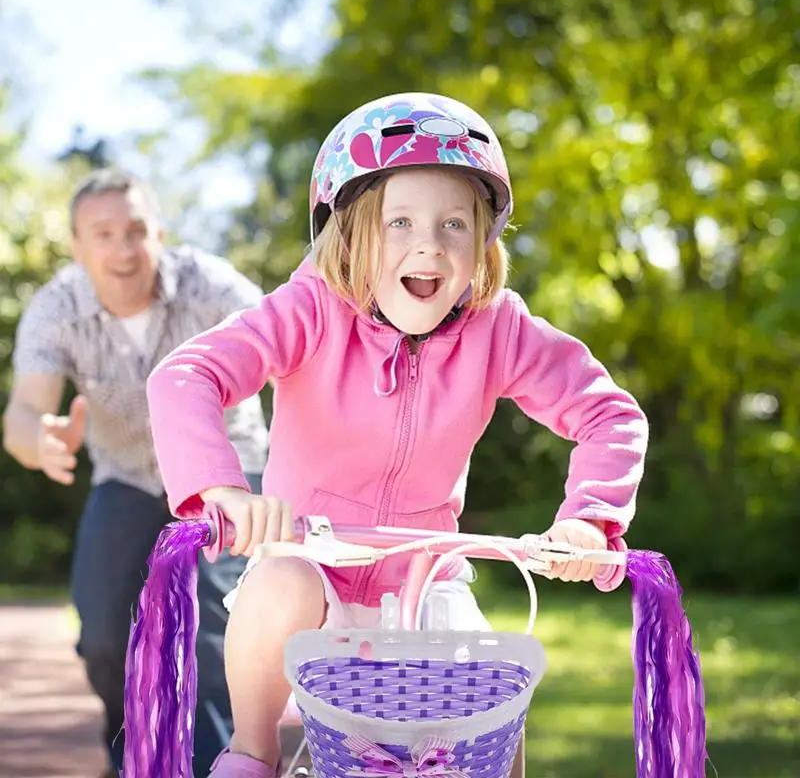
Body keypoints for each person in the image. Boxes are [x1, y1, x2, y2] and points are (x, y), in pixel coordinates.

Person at [144, 92, 649, 778]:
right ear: (349, 233)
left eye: (453, 225)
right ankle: (252, 751)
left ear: (483, 240)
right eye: (399, 221)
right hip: (312, 571)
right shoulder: (312, 309)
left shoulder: (498, 327)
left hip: (424, 579)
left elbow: (608, 414)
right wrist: (223, 493)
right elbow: (186, 376)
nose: (427, 245)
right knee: (279, 582)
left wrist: (589, 522)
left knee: (494, 696)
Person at [1, 169, 270, 777]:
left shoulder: (210, 286)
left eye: (137, 231)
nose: (123, 249)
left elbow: (295, 347)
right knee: (101, 636)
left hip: (224, 474)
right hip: (126, 477)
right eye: (104, 234)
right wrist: (38, 443)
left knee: (208, 637)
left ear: (160, 234)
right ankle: (132, 753)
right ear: (76, 245)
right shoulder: (56, 309)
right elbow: (22, 412)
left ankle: (212, 765)